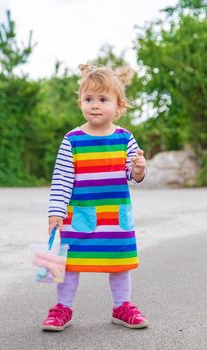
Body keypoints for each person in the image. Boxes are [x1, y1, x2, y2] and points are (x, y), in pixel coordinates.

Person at [42, 64, 148, 331]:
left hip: (115, 218)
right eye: (89, 99)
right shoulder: (72, 140)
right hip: (79, 217)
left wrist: (138, 169)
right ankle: (62, 307)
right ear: (80, 102)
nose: (95, 105)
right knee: (70, 263)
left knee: (119, 262)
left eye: (103, 99)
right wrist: (55, 212)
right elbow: (62, 180)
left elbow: (132, 173)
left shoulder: (125, 138)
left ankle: (122, 306)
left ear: (119, 105)